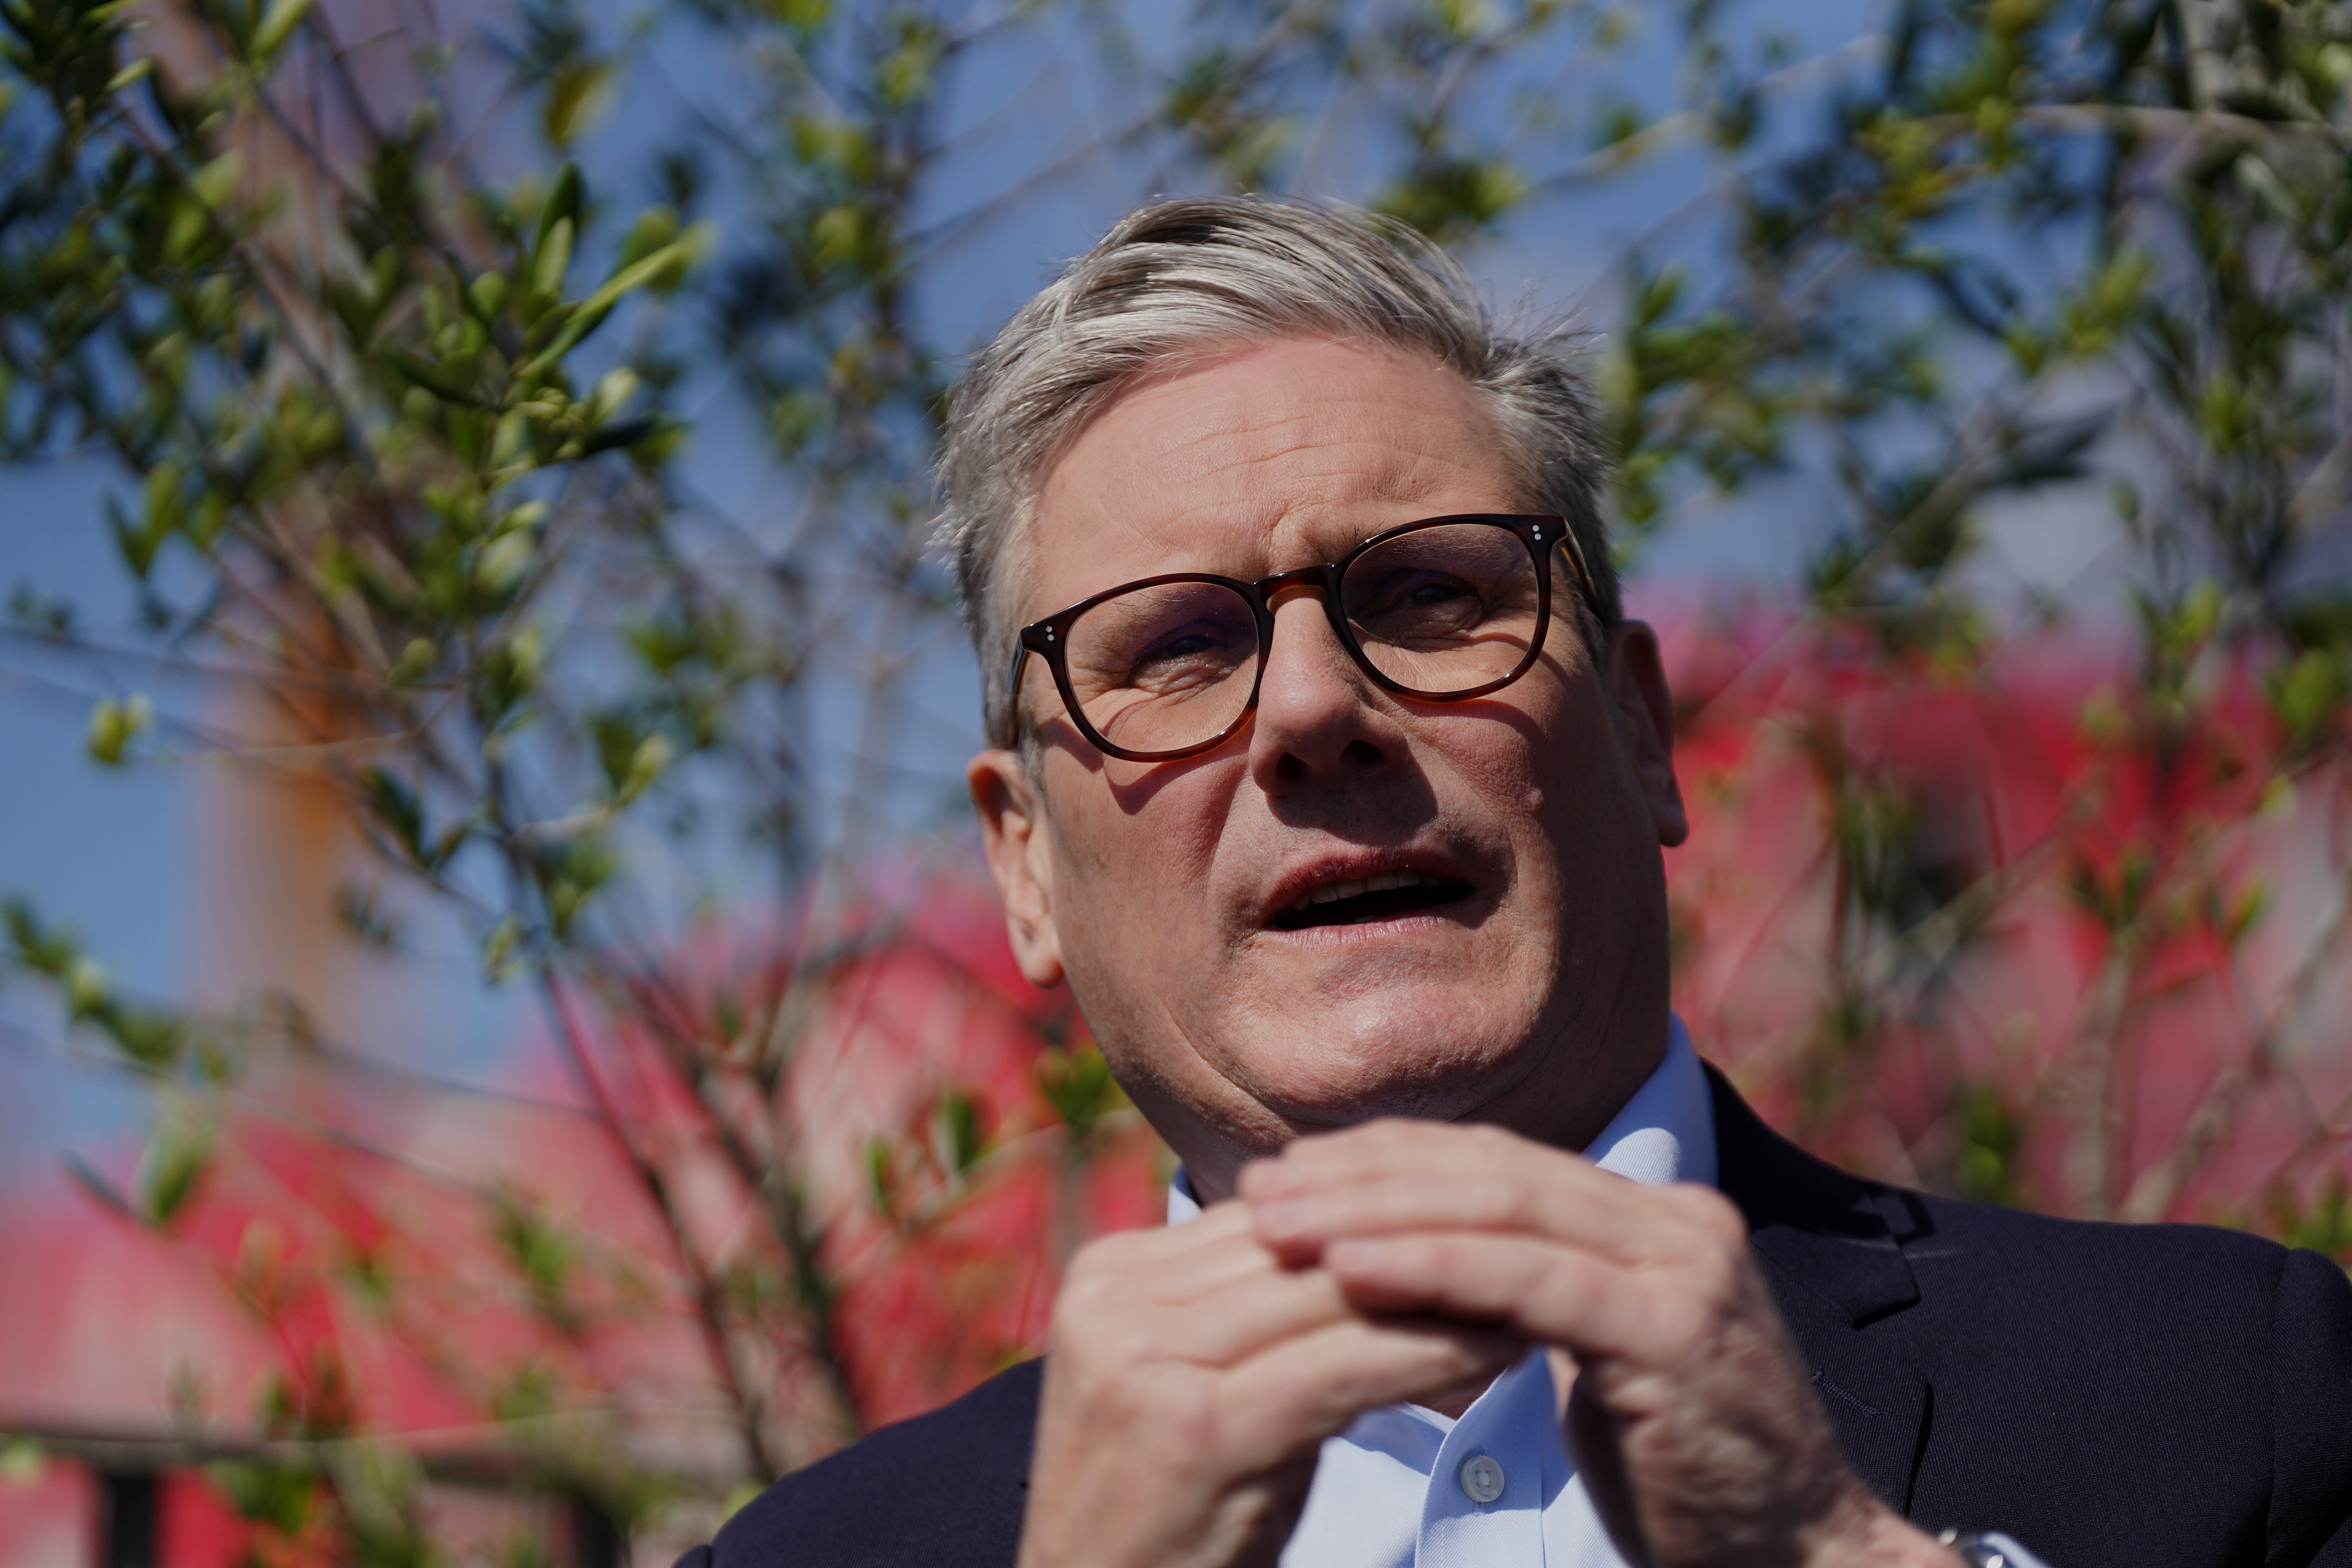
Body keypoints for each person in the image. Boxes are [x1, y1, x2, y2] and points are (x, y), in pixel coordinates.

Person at [677, 198, 2352, 1568]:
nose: (1319, 707)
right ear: (1024, 864)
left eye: (1427, 595)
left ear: (1638, 730)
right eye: (1175, 648)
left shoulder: (2230, 1389)